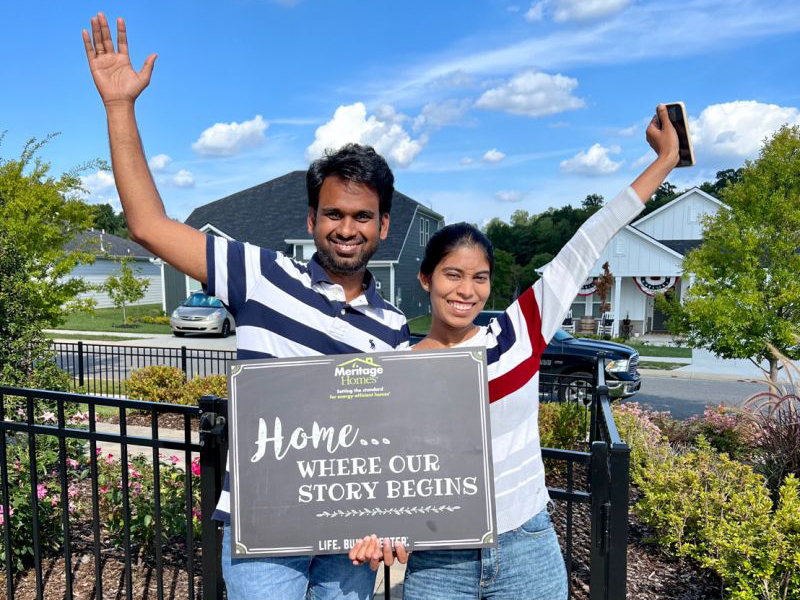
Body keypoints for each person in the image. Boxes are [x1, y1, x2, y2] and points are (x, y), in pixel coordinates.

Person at [82, 13, 410, 600]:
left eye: (362, 216)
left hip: (350, 540)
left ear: (384, 225)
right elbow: (149, 225)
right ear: (311, 220)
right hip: (265, 527)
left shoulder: (394, 329)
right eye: (333, 214)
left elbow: (395, 438)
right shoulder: (260, 276)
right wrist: (119, 108)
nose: (346, 228)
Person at [348, 106, 680, 599]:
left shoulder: (516, 335)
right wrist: (373, 531)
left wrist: (666, 160)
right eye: (452, 275)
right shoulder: (395, 364)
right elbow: (373, 465)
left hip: (526, 547)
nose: (466, 290)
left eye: (479, 277)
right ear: (426, 279)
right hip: (437, 559)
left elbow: (589, 239)